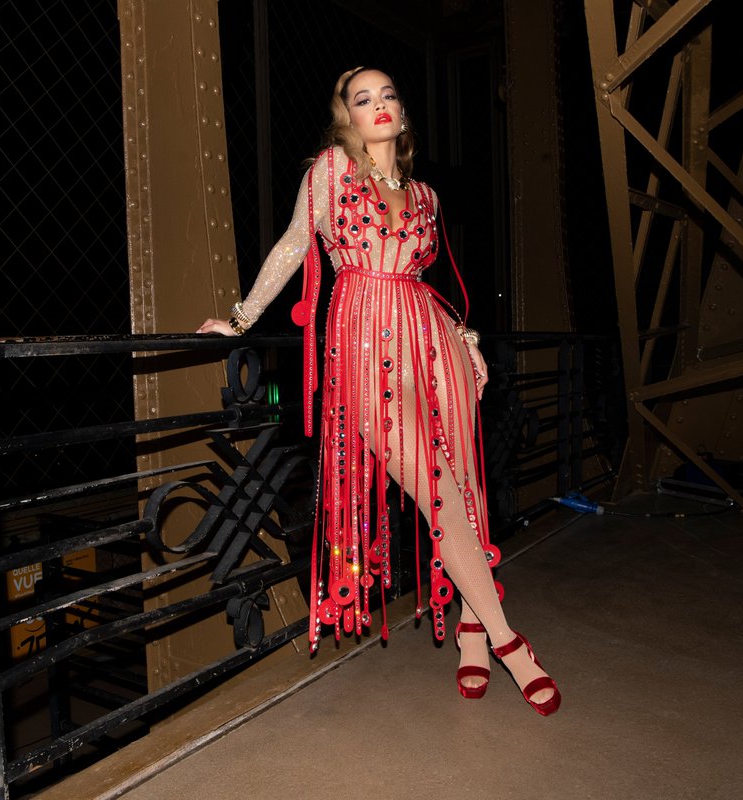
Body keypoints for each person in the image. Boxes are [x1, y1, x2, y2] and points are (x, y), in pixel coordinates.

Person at [198, 67, 559, 715]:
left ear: (402, 111)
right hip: (363, 345)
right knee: (437, 492)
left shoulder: (425, 196)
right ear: (348, 117)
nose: (379, 105)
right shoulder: (333, 171)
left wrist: (465, 337)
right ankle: (511, 643)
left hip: (433, 341)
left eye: (388, 94)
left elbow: (423, 281)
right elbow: (291, 246)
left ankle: (472, 632)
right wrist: (242, 318)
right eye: (362, 99)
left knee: (467, 489)